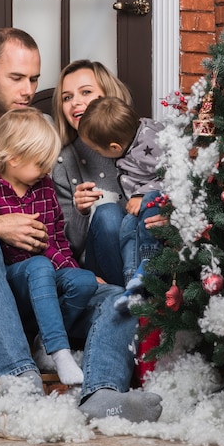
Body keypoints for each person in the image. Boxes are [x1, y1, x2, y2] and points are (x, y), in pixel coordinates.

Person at [0, 28, 162, 423]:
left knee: (118, 293)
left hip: (52, 285)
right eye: (17, 78)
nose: (29, 89)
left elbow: (58, 237)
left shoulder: (49, 155)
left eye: (34, 78)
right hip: (3, 277)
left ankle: (101, 391)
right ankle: (19, 377)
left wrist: (79, 271)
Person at [0, 107, 98, 386]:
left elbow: (56, 240)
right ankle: (61, 351)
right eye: (40, 163)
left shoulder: (44, 190)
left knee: (84, 281)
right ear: (12, 157)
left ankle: (44, 341)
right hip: (11, 281)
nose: (46, 170)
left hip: (45, 279)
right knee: (39, 265)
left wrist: (70, 270)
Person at [52, 60, 163, 287]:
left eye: (86, 92)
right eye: (67, 97)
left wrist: (166, 213)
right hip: (103, 271)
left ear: (108, 96)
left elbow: (178, 181)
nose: (76, 102)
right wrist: (80, 212)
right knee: (108, 213)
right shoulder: (64, 161)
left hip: (149, 254)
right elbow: (67, 246)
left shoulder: (144, 142)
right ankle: (129, 295)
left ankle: (145, 292)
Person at [78, 96, 165, 311]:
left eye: (98, 151)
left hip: (153, 205)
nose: (76, 103)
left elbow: (174, 172)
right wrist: (80, 211)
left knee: (142, 222)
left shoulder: (148, 147)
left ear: (115, 146)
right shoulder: (133, 135)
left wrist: (142, 195)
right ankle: (132, 282)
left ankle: (146, 272)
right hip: (125, 226)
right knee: (125, 224)